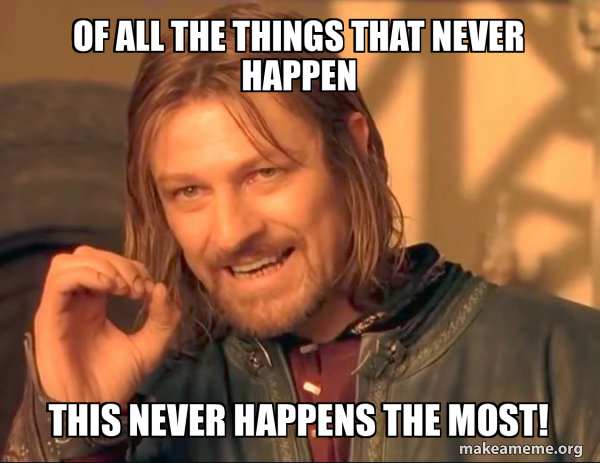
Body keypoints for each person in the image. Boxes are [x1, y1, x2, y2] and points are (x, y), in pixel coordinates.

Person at [3, 2, 600, 462]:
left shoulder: (566, 362)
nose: (231, 233)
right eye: (189, 191)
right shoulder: (153, 409)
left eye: (264, 173)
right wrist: (76, 431)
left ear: (354, 150)